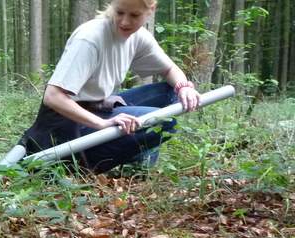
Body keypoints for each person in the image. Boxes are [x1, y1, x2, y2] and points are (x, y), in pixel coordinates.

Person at [18, 0, 201, 173]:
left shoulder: (139, 37)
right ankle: (84, 164)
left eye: (134, 15)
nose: (124, 21)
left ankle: (138, 162)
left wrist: (184, 87)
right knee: (165, 122)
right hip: (66, 125)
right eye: (119, 12)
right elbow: (53, 96)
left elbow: (169, 69)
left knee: (172, 93)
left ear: (150, 11)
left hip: (100, 105)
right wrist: (103, 124)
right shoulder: (90, 38)